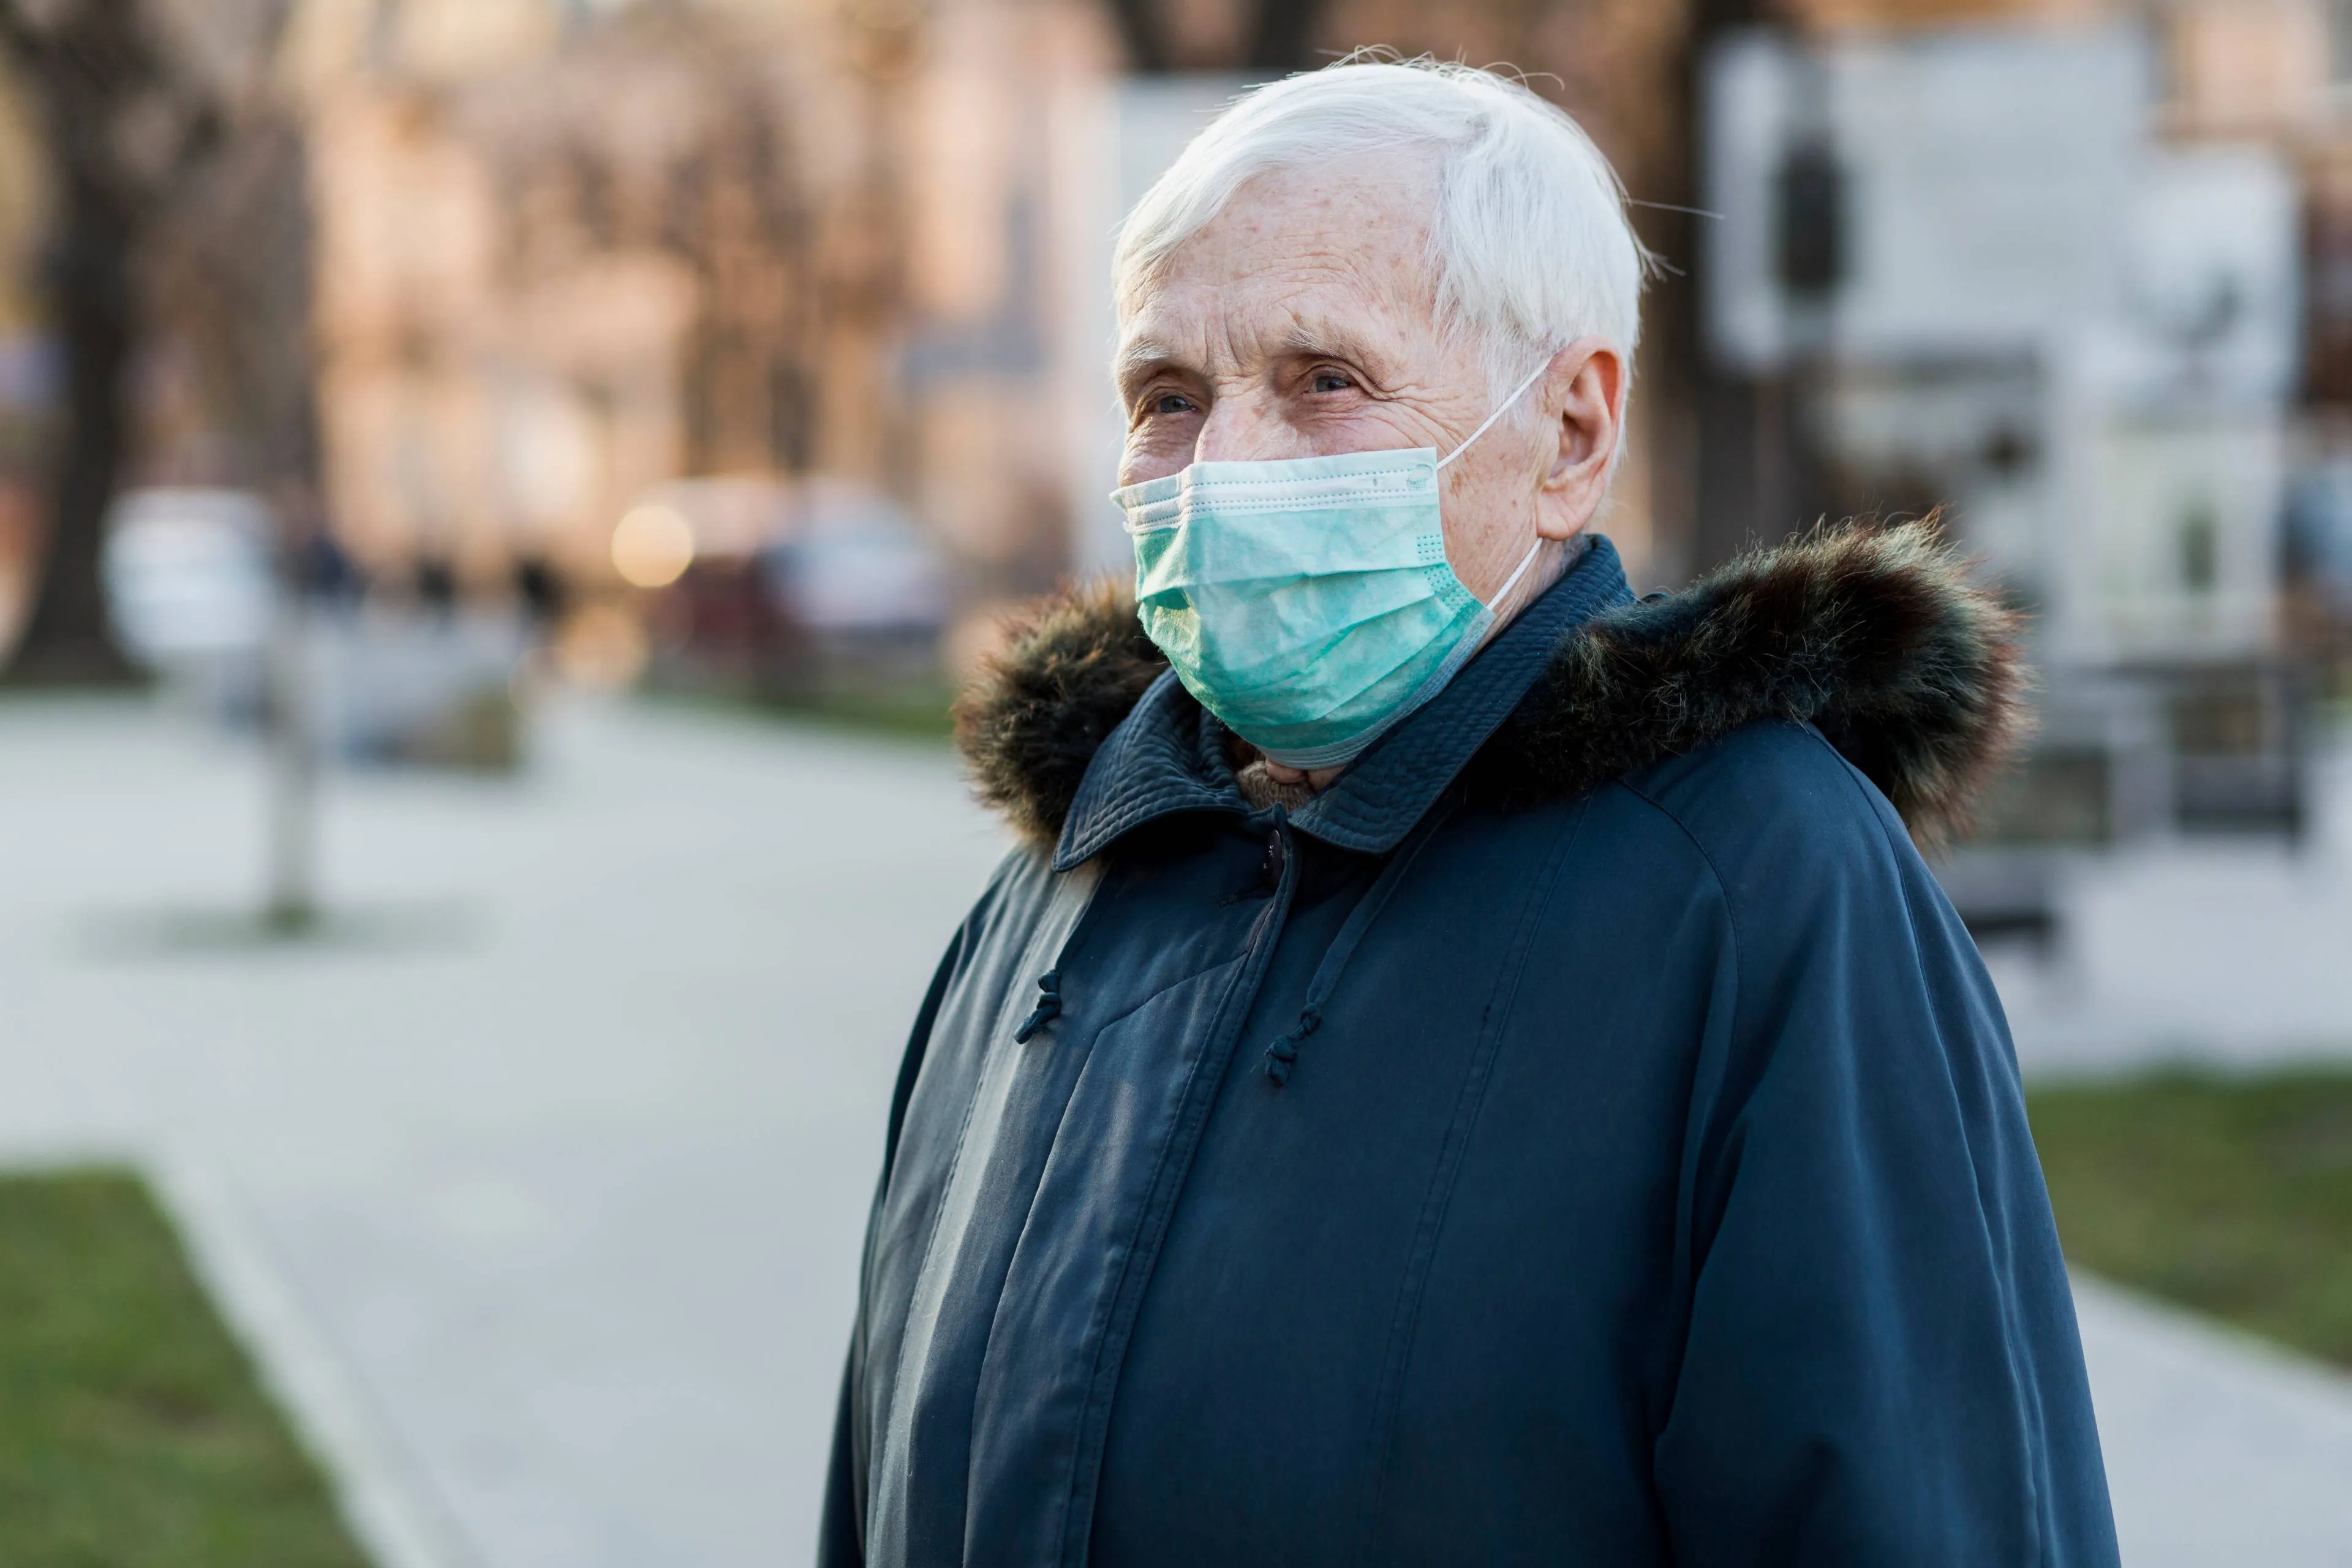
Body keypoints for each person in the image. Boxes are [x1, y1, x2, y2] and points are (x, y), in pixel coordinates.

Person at [821, 58, 2117, 1567]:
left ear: (1570, 432)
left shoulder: (1761, 897)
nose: (1222, 470)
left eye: (1325, 379)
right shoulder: (1058, 894)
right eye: (1168, 397)